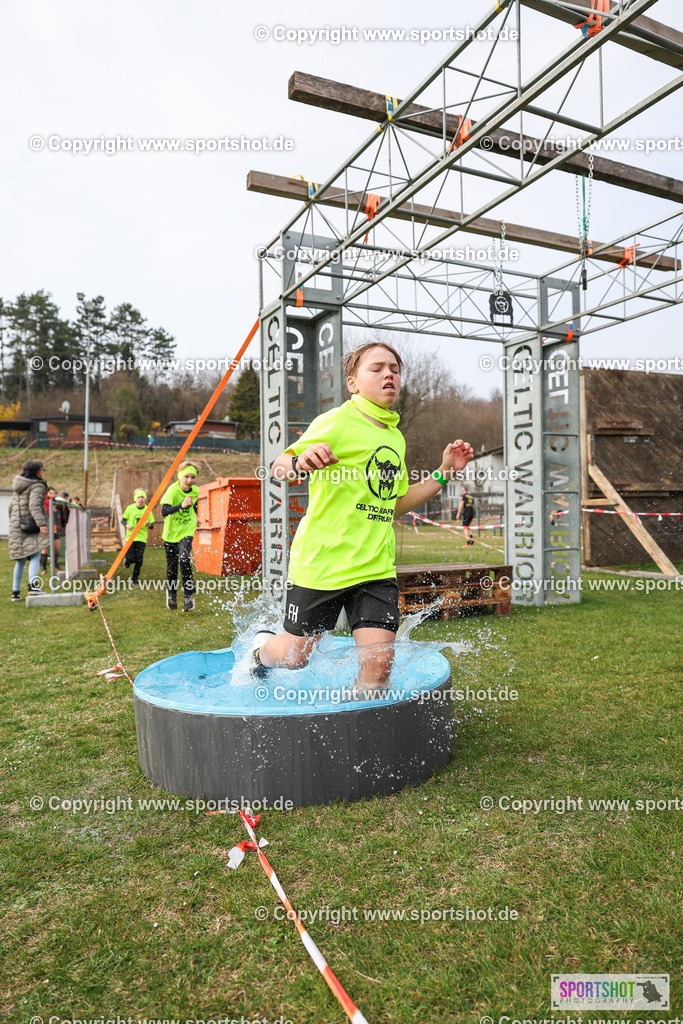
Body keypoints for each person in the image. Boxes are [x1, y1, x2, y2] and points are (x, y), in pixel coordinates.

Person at [250, 342, 474, 693]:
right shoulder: (337, 421)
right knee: (296, 656)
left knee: (379, 666)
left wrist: (444, 472)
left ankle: (357, 742)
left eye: (395, 369)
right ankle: (259, 652)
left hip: (375, 568)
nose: (389, 374)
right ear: (352, 383)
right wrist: (300, 461)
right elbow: (279, 466)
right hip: (321, 564)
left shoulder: (394, 438)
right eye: (378, 368)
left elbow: (394, 503)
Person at [8, 459, 49, 600]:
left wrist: (14, 523)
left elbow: (10, 507)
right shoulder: (36, 485)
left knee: (20, 560)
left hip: (16, 525)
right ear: (37, 471)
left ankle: (15, 592)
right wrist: (42, 524)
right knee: (36, 555)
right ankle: (33, 586)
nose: (43, 472)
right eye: (42, 469)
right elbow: (34, 506)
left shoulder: (18, 485)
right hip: (30, 526)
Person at [160, 464, 198, 611]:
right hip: (170, 533)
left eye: (192, 477)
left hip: (187, 530)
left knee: (184, 559)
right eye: (186, 477)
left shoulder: (195, 490)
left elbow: (193, 505)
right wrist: (181, 506)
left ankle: (188, 595)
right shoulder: (172, 490)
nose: (189, 480)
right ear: (180, 477)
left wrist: (196, 515)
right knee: (172, 567)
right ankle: (171, 594)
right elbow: (164, 511)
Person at [121, 488, 155, 585]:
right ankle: (127, 562)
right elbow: (123, 520)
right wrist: (126, 525)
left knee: (139, 560)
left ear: (145, 499)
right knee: (131, 558)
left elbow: (152, 525)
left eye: (142, 497)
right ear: (135, 498)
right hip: (131, 537)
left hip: (142, 538)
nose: (141, 499)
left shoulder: (147, 510)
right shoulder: (130, 508)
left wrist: (149, 524)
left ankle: (134, 578)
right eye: (139, 497)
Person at [40, 487, 62, 573]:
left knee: (57, 548)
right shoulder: (44, 502)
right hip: (46, 528)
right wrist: (50, 510)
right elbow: (42, 513)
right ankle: (44, 568)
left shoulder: (56, 502)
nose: (53, 495)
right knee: (45, 548)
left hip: (55, 527)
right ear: (47, 493)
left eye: (54, 493)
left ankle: (55, 564)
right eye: (51, 493)